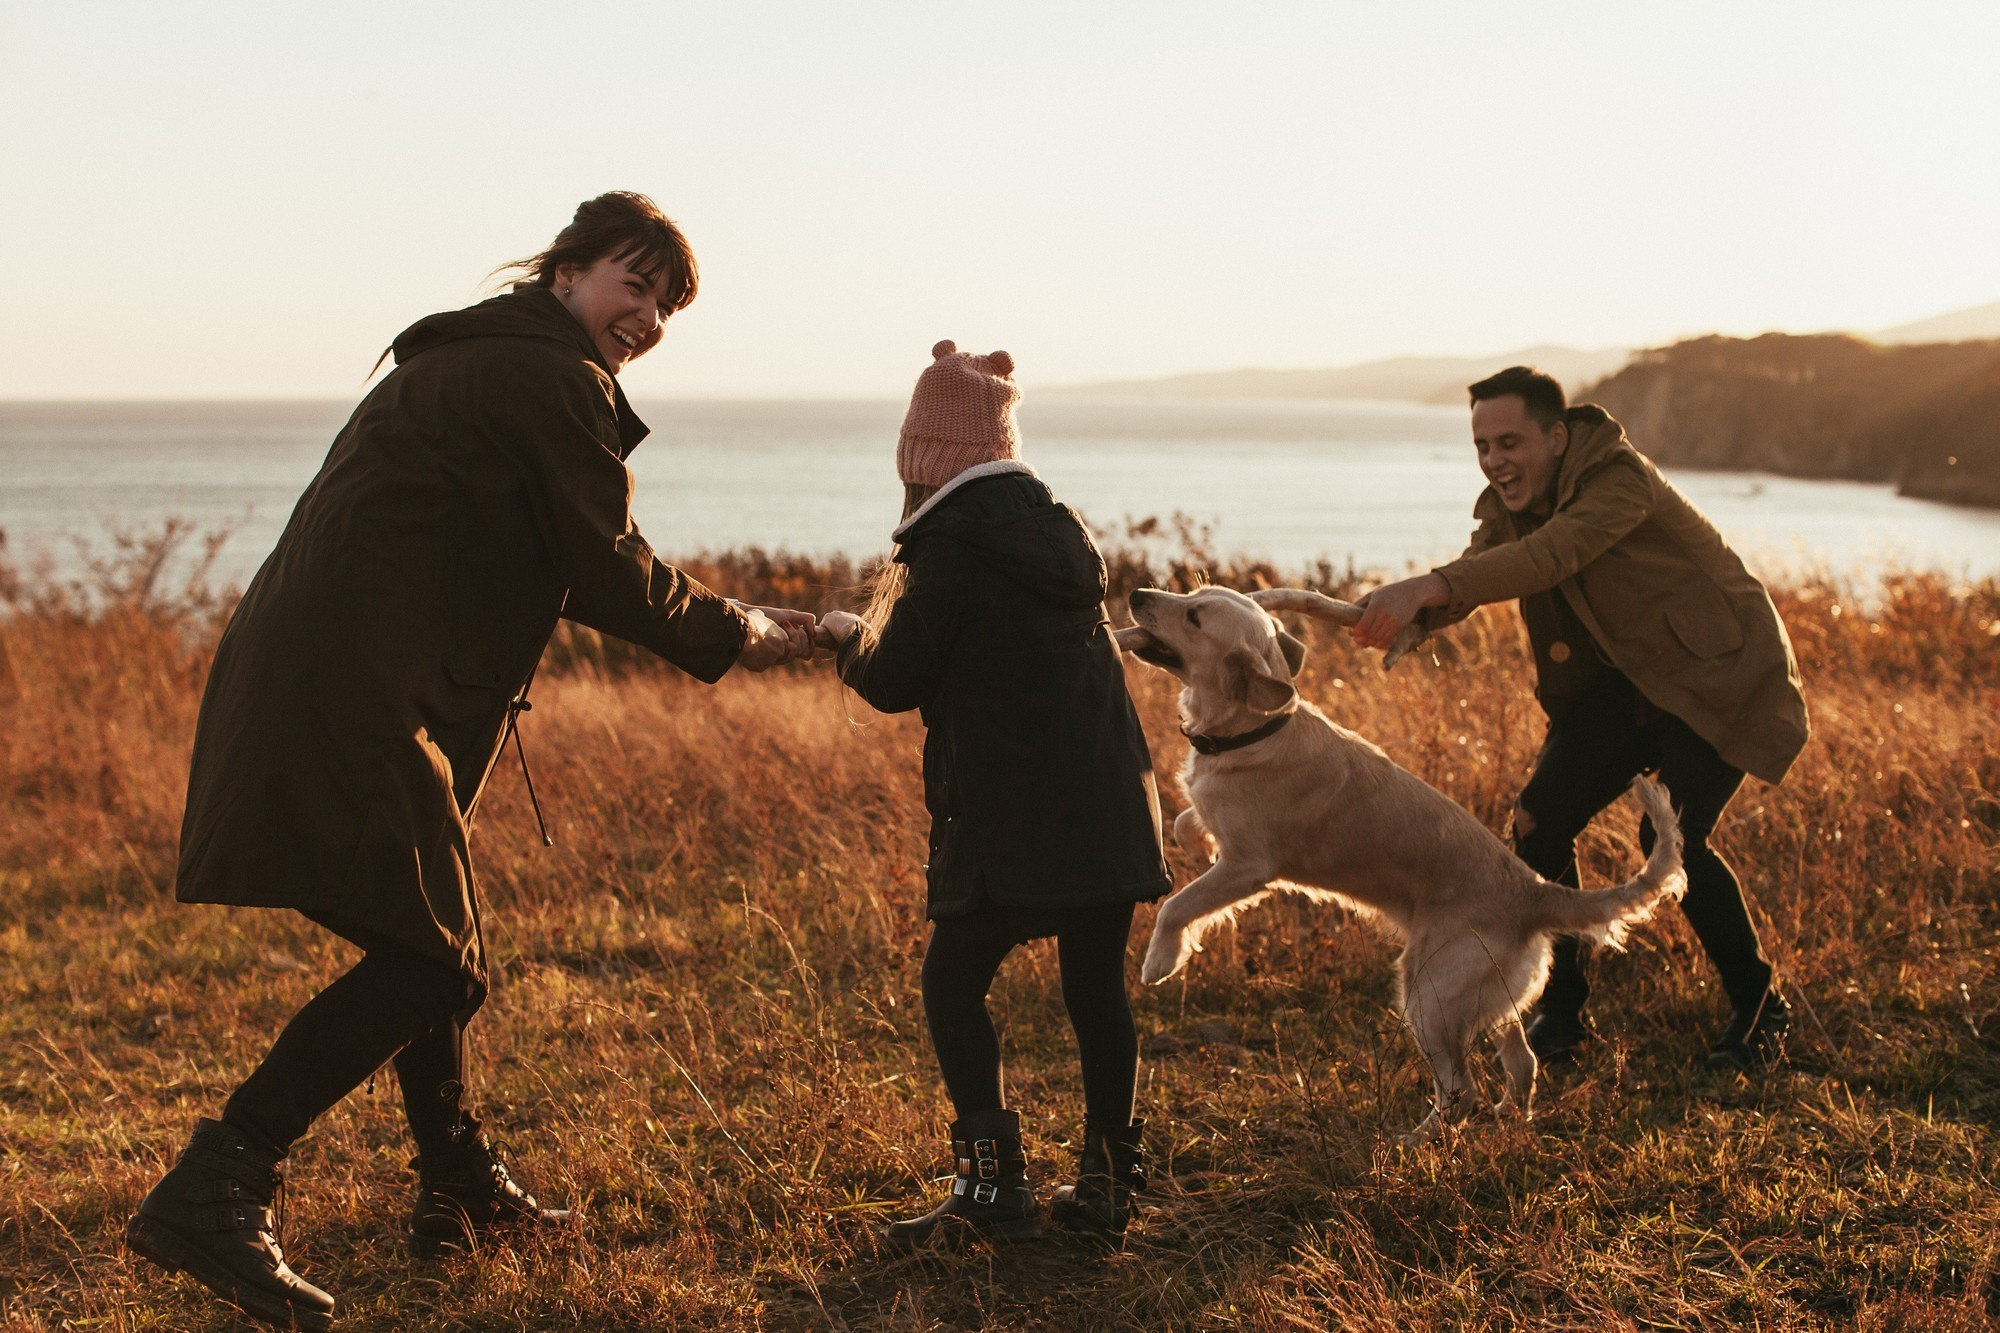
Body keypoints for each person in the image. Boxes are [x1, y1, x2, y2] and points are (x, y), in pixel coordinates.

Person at [125, 192, 815, 1331]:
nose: (648, 319)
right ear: (567, 271)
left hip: (336, 668)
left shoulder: (472, 356)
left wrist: (721, 618)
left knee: (430, 934)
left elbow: (537, 550)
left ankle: (456, 1187)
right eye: (634, 284)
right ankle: (219, 1179)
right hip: (355, 683)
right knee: (430, 958)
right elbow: (607, 565)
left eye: (667, 306)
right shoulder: (549, 376)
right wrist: (735, 627)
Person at [1350, 365, 1809, 1073]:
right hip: (1623, 686)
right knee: (1538, 820)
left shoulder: (1620, 479)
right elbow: (1486, 563)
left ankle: (1760, 1007)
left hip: (1716, 677)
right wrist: (1419, 615)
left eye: (1510, 442)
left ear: (1558, 437)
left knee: (1672, 835)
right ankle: (1561, 1011)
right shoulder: (1514, 504)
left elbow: (1550, 555)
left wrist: (1427, 587)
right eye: (1482, 446)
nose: (1494, 461)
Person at [818, 340, 1170, 1249]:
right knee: (1096, 988)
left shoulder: (950, 547)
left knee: (952, 984)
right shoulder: (1060, 531)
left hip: (1014, 821)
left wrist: (845, 635)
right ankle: (1109, 1184)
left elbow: (893, 678)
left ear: (924, 459)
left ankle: (991, 1188)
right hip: (1109, 806)